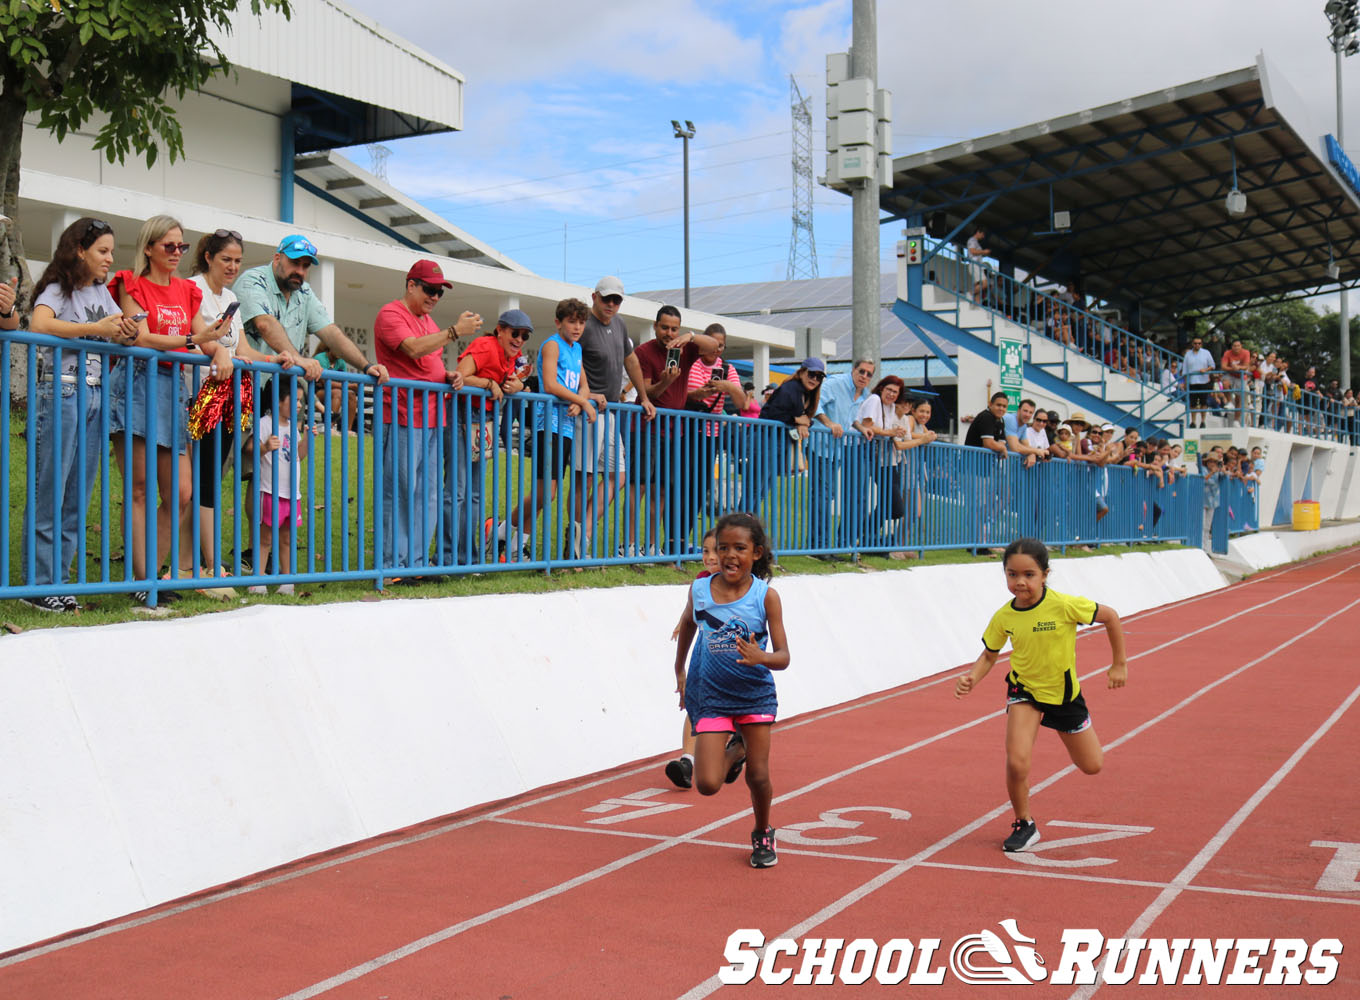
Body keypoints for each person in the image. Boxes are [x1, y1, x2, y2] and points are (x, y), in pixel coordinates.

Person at [955, 537, 1127, 852]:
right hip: (1025, 692)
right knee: (1017, 762)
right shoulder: (1004, 616)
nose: (1020, 582)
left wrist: (1119, 664)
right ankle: (1025, 823)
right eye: (1012, 574)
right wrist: (972, 678)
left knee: (1092, 765)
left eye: (1029, 575)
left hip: (1063, 696)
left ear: (1045, 574)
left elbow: (1111, 617)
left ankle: (1074, 731)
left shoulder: (1064, 605)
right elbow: (990, 655)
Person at [109, 215, 232, 606]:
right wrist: (192, 340)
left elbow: (205, 338)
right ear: (149, 248)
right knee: (140, 489)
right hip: (138, 382)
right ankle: (145, 582)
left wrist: (222, 349)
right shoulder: (132, 283)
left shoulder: (185, 290)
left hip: (172, 387)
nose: (177, 253)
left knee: (180, 491)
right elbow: (140, 334)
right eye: (169, 246)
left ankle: (151, 577)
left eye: (181, 246)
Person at [23, 218, 140, 612]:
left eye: (111, 252)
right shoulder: (58, 288)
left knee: (77, 495)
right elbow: (39, 323)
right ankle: (39, 584)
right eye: (102, 251)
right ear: (79, 250)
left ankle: (60, 579)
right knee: (51, 490)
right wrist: (96, 327)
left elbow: (112, 329)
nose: (109, 259)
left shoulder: (101, 293)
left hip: (93, 395)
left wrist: (123, 332)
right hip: (61, 389)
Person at [672, 512, 790, 868]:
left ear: (756, 552)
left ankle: (762, 832)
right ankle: (735, 749)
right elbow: (690, 627)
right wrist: (679, 670)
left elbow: (783, 657)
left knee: (759, 776)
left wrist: (761, 656)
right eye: (722, 548)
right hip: (711, 694)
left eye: (740, 548)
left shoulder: (765, 597)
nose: (730, 556)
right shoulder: (700, 590)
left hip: (753, 693)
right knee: (707, 784)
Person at [187, 229, 284, 580]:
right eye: (226, 259)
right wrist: (221, 352)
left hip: (228, 400)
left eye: (238, 261)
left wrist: (275, 359)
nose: (232, 266)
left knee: (210, 477)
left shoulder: (230, 296)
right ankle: (210, 564)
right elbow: (199, 341)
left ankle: (197, 563)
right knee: (198, 480)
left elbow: (243, 350)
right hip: (198, 398)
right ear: (209, 257)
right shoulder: (192, 289)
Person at [372, 260, 470, 575]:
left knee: (426, 494)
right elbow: (412, 349)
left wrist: (448, 375)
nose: (434, 297)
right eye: (429, 289)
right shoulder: (391, 313)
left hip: (432, 416)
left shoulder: (428, 322)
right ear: (411, 284)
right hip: (401, 414)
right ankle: (391, 565)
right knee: (399, 490)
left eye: (439, 292)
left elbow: (430, 363)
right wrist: (454, 332)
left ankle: (414, 563)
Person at [495, 298, 596, 560]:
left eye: (581, 322)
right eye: (571, 321)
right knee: (546, 493)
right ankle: (500, 530)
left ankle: (517, 547)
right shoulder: (552, 345)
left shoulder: (576, 349)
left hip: (566, 428)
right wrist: (580, 401)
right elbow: (549, 385)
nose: (577, 327)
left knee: (544, 495)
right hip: (547, 424)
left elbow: (583, 384)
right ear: (558, 322)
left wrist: (579, 399)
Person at [571, 276, 656, 561]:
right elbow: (572, 360)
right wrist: (586, 394)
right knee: (586, 479)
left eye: (616, 300)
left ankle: (581, 533)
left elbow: (630, 361)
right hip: (587, 412)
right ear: (594, 296)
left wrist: (643, 397)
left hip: (610, 414)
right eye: (606, 298)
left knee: (618, 476)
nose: (611, 304)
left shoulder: (620, 325)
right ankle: (576, 546)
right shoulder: (583, 325)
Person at [235, 234, 389, 385]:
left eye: (305, 266)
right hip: (244, 386)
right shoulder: (253, 280)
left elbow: (331, 333)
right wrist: (299, 359)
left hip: (283, 391)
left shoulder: (304, 292)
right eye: (295, 262)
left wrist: (367, 366)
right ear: (277, 259)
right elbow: (265, 324)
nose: (300, 271)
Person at [633, 306, 719, 556]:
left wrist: (690, 336)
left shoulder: (686, 347)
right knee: (639, 488)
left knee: (662, 490)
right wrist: (667, 381)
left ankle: (652, 547)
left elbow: (713, 345)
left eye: (674, 328)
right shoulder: (644, 351)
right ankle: (629, 545)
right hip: (647, 428)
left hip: (675, 432)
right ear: (655, 325)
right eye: (664, 327)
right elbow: (646, 392)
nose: (669, 333)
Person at [449, 309, 532, 565]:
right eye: (514, 333)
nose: (518, 340)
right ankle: (449, 554)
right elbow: (460, 375)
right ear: (500, 330)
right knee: (457, 490)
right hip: (464, 415)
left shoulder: (513, 356)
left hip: (484, 420)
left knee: (474, 493)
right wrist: (488, 384)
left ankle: (468, 555)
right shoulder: (486, 346)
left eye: (524, 336)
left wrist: (519, 386)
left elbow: (518, 380)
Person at [664, 526, 721, 789]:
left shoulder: (745, 584)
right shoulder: (700, 582)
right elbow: (691, 612)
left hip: (734, 658)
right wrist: (681, 623)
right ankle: (687, 760)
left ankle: (734, 750)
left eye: (716, 551)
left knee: (725, 709)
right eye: (705, 551)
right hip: (705, 653)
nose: (709, 557)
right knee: (695, 706)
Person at [809, 358, 875, 559]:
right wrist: (829, 423)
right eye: (861, 371)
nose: (864, 376)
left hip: (837, 449)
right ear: (854, 370)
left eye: (868, 374)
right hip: (820, 446)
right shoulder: (836, 383)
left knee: (829, 495)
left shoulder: (863, 394)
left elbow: (849, 418)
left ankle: (825, 546)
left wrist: (861, 428)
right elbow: (814, 403)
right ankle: (817, 547)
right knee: (822, 495)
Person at [247, 378, 307, 596]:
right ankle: (258, 579)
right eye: (296, 400)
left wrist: (307, 439)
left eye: (300, 401)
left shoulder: (293, 427)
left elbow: (298, 456)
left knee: (286, 538)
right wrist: (265, 447)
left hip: (292, 495)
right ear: (278, 401)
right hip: (270, 491)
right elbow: (250, 449)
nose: (299, 405)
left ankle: (287, 581)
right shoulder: (264, 423)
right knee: (265, 538)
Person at [744, 360, 824, 514]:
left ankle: (748, 529)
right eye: (811, 374)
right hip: (765, 439)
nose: (814, 379)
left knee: (760, 491)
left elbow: (804, 418)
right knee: (755, 489)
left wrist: (802, 421)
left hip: (776, 441)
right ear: (801, 372)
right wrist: (797, 419)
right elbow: (780, 414)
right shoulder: (792, 388)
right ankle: (738, 528)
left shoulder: (806, 393)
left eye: (819, 376)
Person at [1182, 336, 1214, 429]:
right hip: (1192, 381)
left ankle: (1203, 421)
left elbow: (1212, 365)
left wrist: (1206, 369)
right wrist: (1185, 382)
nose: (1197, 345)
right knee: (1193, 403)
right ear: (1193, 344)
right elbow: (1185, 369)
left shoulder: (1206, 353)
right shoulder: (1188, 354)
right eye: (1195, 343)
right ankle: (1193, 422)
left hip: (1204, 381)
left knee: (1204, 402)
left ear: (1201, 344)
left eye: (1199, 343)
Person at [966, 227, 991, 304]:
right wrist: (983, 251)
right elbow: (972, 251)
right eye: (983, 234)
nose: (983, 237)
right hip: (975, 265)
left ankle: (977, 303)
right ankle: (969, 294)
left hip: (977, 265)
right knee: (985, 283)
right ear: (978, 232)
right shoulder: (972, 240)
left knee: (978, 285)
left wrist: (983, 253)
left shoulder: (975, 242)